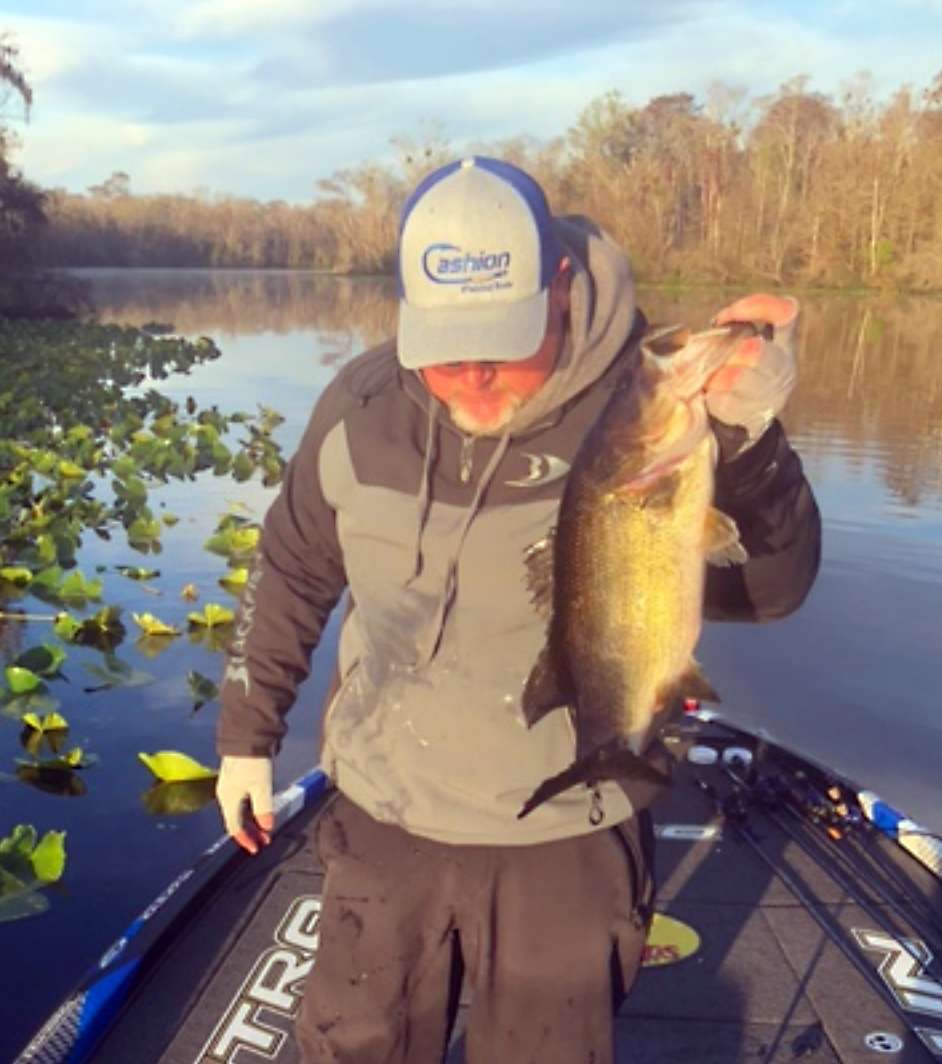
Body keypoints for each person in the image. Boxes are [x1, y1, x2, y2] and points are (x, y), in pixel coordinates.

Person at [213, 156, 821, 1063]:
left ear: (560, 288)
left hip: (568, 828)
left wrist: (749, 447)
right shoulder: (359, 409)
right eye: (446, 350)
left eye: (500, 348)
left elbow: (771, 592)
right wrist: (245, 737)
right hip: (385, 812)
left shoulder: (643, 418)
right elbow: (293, 565)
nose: (473, 379)